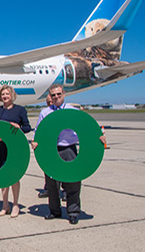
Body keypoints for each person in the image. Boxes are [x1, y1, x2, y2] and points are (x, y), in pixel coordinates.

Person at [31, 84, 106, 225]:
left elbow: (86, 129)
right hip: (51, 149)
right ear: (50, 96)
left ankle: (73, 212)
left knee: (73, 181)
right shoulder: (45, 112)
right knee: (52, 183)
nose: (56, 97)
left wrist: (98, 138)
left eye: (59, 94)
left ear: (64, 94)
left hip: (69, 148)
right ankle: (54, 211)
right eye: (53, 95)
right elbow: (39, 131)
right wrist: (35, 142)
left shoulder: (73, 111)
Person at [0, 85, 31, 218]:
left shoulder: (19, 110)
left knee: (14, 176)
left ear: (12, 95)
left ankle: (15, 204)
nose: (5, 96)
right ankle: (4, 205)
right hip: (1, 147)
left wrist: (18, 126)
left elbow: (27, 127)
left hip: (14, 148)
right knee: (3, 176)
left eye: (7, 94)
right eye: (3, 94)